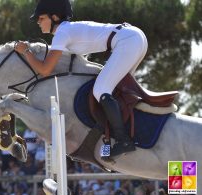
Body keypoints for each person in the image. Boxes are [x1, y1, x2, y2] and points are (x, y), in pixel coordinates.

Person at [14, 0, 148, 157]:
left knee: (100, 90)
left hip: (128, 41)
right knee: (115, 91)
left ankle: (123, 140)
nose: (38, 22)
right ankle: (128, 133)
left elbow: (45, 70)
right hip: (133, 37)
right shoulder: (68, 31)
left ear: (55, 17)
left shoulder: (62, 33)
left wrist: (26, 51)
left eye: (41, 18)